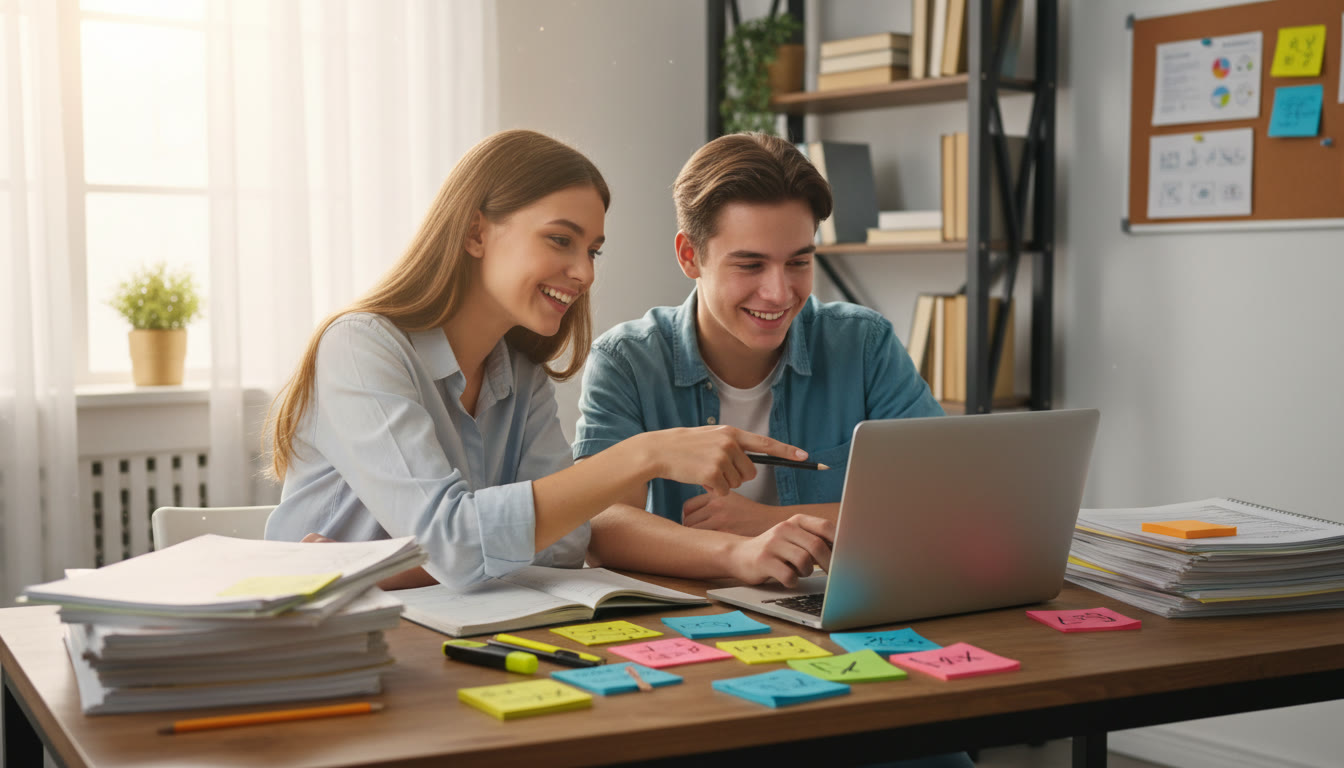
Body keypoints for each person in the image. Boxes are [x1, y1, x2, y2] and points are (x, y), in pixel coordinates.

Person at [263, 129, 815, 591]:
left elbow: (564, 545)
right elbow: (456, 545)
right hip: (315, 645)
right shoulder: (360, 349)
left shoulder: (519, 374)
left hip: (437, 633)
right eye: (560, 240)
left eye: (592, 250)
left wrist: (368, 568)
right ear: (476, 232)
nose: (585, 273)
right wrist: (645, 454)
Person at [575, 131, 944, 580]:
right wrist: (734, 552)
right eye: (750, 265)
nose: (779, 293)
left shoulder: (864, 344)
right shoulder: (627, 360)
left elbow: (935, 506)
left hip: (834, 611)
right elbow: (601, 524)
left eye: (798, 262)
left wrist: (763, 523)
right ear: (690, 256)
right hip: (694, 619)